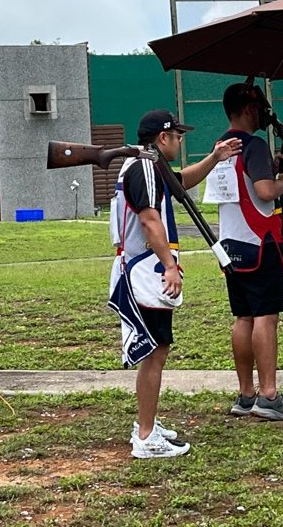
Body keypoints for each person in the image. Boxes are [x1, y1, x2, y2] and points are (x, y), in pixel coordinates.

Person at [110, 109, 241, 458]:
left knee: (156, 351)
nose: (181, 141)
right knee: (155, 352)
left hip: (142, 268)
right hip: (145, 269)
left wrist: (214, 158)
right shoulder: (144, 168)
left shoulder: (149, 166)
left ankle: (147, 423)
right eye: (178, 135)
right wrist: (169, 265)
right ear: (163, 137)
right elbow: (151, 221)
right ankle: (146, 434)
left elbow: (180, 181)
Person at [212, 82, 283, 421]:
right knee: (266, 316)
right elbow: (264, 191)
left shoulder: (221, 146)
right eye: (260, 108)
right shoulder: (254, 145)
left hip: (232, 244)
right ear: (249, 110)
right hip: (260, 244)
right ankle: (269, 394)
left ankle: (246, 394)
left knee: (243, 318)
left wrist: (275, 167)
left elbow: (245, 185)